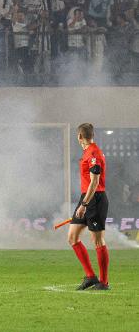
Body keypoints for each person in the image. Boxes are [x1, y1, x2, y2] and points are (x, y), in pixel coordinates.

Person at [68, 123, 110, 291]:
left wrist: (84, 205)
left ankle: (104, 282)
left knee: (97, 241)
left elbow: (95, 182)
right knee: (72, 237)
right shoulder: (87, 152)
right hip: (86, 197)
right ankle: (90, 277)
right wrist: (83, 202)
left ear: (79, 136)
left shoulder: (93, 153)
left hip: (95, 199)